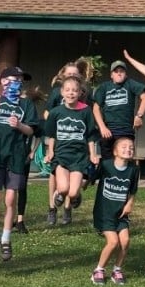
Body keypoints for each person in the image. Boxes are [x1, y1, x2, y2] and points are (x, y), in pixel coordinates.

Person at [0, 66, 39, 261]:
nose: (18, 82)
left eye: (21, 80)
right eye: (15, 78)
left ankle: (6, 238)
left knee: (11, 199)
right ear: (4, 81)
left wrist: (20, 125)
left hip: (16, 155)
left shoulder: (26, 104)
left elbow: (31, 130)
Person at [44, 75, 99, 226]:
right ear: (61, 92)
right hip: (61, 156)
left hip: (79, 157)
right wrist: (50, 152)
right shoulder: (56, 112)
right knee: (63, 188)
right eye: (67, 90)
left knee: (73, 192)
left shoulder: (86, 111)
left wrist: (93, 154)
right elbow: (51, 135)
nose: (71, 93)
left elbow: (90, 136)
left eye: (74, 90)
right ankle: (57, 195)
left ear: (80, 93)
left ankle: (75, 196)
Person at [91, 136, 140, 285]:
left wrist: (129, 204)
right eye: (124, 146)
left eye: (131, 147)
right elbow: (91, 179)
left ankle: (117, 270)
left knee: (125, 241)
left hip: (121, 213)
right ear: (115, 151)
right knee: (113, 242)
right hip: (105, 213)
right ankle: (98, 270)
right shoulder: (105, 165)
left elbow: (132, 191)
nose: (128, 149)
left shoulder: (133, 170)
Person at [92, 59, 145, 160]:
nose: (119, 74)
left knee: (124, 160)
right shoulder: (104, 87)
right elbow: (96, 108)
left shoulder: (130, 84)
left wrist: (139, 116)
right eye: (116, 71)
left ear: (126, 74)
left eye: (121, 71)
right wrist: (102, 127)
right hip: (108, 131)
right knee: (107, 163)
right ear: (111, 75)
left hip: (125, 131)